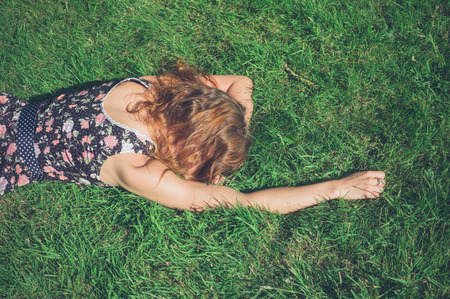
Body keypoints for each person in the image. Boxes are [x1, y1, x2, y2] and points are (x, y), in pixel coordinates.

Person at [0, 64, 385, 214]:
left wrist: (236, 119)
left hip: (11, 112)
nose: (208, 178)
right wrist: (335, 187)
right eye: (204, 166)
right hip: (9, 161)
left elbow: (239, 83)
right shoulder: (136, 167)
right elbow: (246, 203)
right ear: (189, 146)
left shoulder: (152, 91)